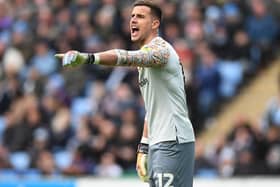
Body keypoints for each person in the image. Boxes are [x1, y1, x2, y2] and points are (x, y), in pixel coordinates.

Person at [55, 0, 195, 186]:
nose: (133, 20)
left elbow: (127, 57)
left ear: (155, 24)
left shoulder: (162, 51)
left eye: (140, 16)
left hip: (172, 141)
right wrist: (144, 147)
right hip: (160, 142)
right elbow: (152, 108)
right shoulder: (146, 62)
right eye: (132, 16)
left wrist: (89, 57)